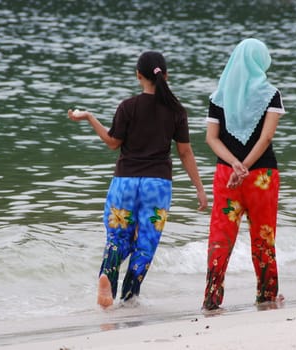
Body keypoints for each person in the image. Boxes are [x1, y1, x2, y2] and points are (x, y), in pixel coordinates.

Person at [68, 51, 208, 309]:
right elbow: (185, 152)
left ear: (138, 76)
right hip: (158, 185)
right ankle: (130, 300)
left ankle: (107, 276)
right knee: (145, 244)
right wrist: (200, 189)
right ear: (165, 75)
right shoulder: (177, 110)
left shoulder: (127, 106)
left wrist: (89, 117)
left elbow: (112, 143)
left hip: (125, 182)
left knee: (117, 239)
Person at [202, 38, 285, 311]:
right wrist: (246, 165)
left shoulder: (220, 95)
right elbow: (267, 137)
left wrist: (235, 165)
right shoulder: (270, 94)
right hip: (261, 177)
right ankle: (267, 295)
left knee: (220, 236)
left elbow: (211, 139)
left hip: (226, 175)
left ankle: (212, 299)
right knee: (263, 237)